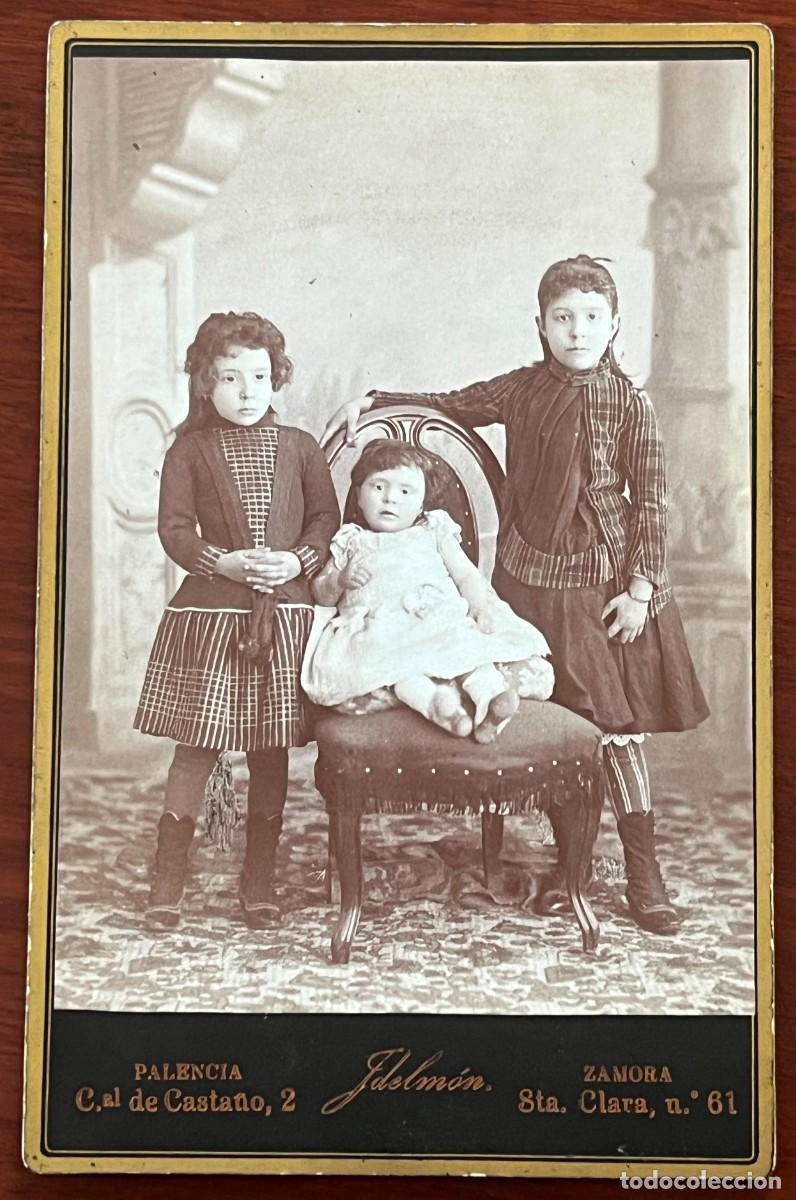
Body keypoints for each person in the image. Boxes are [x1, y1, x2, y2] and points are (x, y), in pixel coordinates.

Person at [321, 254, 709, 935]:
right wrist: (375, 402)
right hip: (525, 585)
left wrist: (642, 589)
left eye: (592, 318)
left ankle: (644, 877)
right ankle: (571, 870)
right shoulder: (522, 390)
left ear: (614, 325)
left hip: (602, 590)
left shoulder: (633, 406)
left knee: (612, 732)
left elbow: (652, 503)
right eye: (563, 318)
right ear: (541, 325)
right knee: (552, 719)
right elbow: (447, 406)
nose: (577, 331)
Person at [135, 311, 339, 931]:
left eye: (259, 376)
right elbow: (173, 529)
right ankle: (169, 877)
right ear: (205, 384)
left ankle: (259, 879)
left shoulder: (300, 447)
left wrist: (295, 560)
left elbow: (324, 520)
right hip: (212, 619)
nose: (247, 392)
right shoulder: (190, 451)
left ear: (276, 379)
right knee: (196, 747)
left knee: (269, 749)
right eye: (230, 378)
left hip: (280, 619)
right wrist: (221, 560)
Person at [302, 438, 554, 742]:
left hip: (437, 616)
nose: (390, 499)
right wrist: (340, 580)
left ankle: (490, 702)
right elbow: (321, 594)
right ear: (358, 496)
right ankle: (439, 707)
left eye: (405, 491)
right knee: (396, 666)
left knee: (469, 649)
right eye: (378, 487)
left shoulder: (433, 530)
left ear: (421, 505)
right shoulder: (351, 540)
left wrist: (478, 605)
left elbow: (465, 575)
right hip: (381, 628)